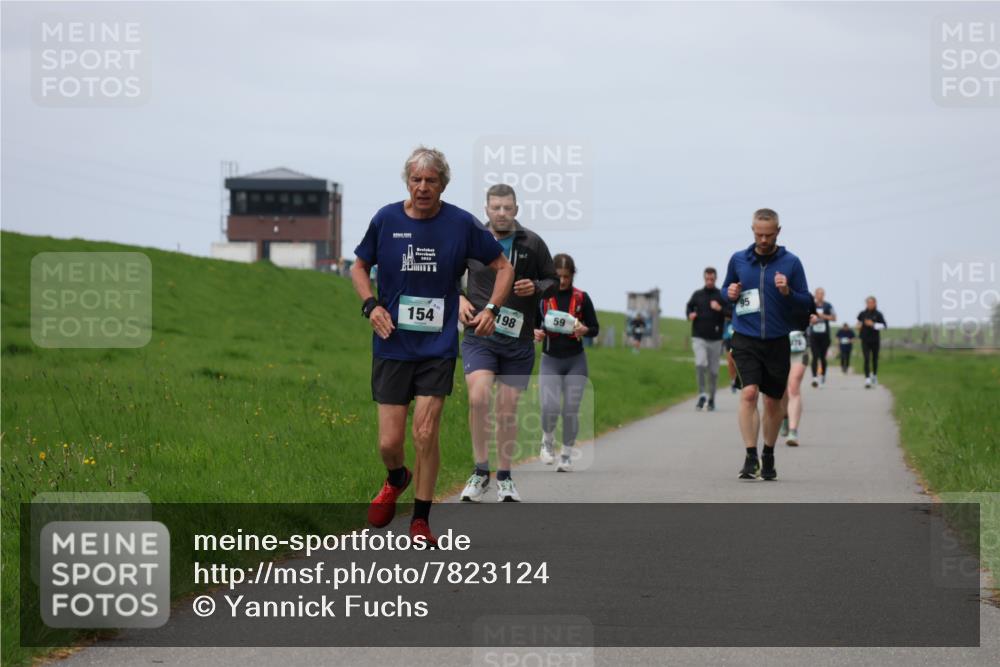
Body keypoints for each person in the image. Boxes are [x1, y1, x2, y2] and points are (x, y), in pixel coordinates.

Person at [351, 146, 513, 547]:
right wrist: (370, 305)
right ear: (408, 182)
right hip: (391, 343)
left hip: (437, 347)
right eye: (416, 180)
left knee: (425, 432)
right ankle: (396, 478)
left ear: (443, 184)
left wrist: (492, 308)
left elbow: (504, 267)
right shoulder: (386, 219)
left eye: (431, 181)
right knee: (390, 443)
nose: (423, 187)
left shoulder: (460, 224)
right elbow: (357, 265)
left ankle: (421, 520)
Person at [458, 184, 557, 503]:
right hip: (479, 335)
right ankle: (479, 471)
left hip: (518, 340)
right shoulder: (473, 241)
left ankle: (504, 478)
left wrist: (537, 288)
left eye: (507, 208)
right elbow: (448, 275)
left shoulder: (533, 243)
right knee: (478, 396)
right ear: (486, 210)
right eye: (495, 207)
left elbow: (552, 280)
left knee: (506, 409)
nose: (501, 213)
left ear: (516, 210)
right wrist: (458, 299)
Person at [722, 208, 812, 481]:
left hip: (776, 340)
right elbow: (727, 296)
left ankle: (768, 454)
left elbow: (807, 303)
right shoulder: (739, 260)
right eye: (759, 234)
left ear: (778, 232)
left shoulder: (791, 263)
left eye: (768, 235)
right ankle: (751, 457)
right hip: (745, 337)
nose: (763, 240)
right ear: (752, 230)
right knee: (748, 393)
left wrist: (788, 292)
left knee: (773, 403)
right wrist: (731, 293)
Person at [534, 254, 600, 472]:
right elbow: (532, 325)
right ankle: (547, 440)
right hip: (550, 360)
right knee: (549, 407)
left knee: (570, 409)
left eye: (566, 276)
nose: (562, 281)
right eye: (559, 276)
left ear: (573, 275)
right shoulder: (543, 298)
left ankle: (566, 455)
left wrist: (585, 330)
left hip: (575, 361)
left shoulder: (582, 298)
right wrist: (535, 333)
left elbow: (594, 327)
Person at [686, 267, 730, 411]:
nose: (709, 281)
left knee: (713, 372)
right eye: (707, 279)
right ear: (704, 279)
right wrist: (690, 315)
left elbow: (730, 312)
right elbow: (689, 307)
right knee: (700, 363)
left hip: (716, 339)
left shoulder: (720, 295)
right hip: (699, 336)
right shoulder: (697, 295)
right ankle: (701, 395)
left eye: (712, 279)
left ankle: (711, 399)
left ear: (715, 279)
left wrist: (719, 309)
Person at [780, 303, 818, 447]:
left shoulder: (804, 296)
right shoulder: (773, 292)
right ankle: (785, 416)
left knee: (794, 386)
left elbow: (814, 314)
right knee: (781, 389)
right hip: (779, 347)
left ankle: (793, 431)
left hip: (800, 348)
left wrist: (814, 318)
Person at [808, 287, 836, 388]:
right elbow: (806, 316)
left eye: (822, 294)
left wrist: (822, 316)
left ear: (824, 295)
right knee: (815, 356)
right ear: (815, 295)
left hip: (825, 336)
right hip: (814, 336)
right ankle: (815, 378)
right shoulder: (811, 305)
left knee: (823, 358)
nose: (820, 295)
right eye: (818, 293)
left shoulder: (828, 305)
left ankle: (822, 376)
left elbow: (834, 318)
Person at [857, 296, 887, 388]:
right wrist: (858, 326)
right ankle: (867, 379)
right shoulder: (862, 313)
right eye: (868, 303)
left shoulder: (878, 314)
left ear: (875, 303)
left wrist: (873, 324)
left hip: (875, 340)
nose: (869, 304)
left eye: (871, 303)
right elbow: (858, 323)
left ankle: (874, 375)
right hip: (865, 339)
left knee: (874, 359)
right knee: (866, 358)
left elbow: (884, 326)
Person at [723, 319, 739, 393]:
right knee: (730, 362)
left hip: (739, 338)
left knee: (736, 362)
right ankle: (733, 381)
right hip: (728, 339)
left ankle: (738, 379)